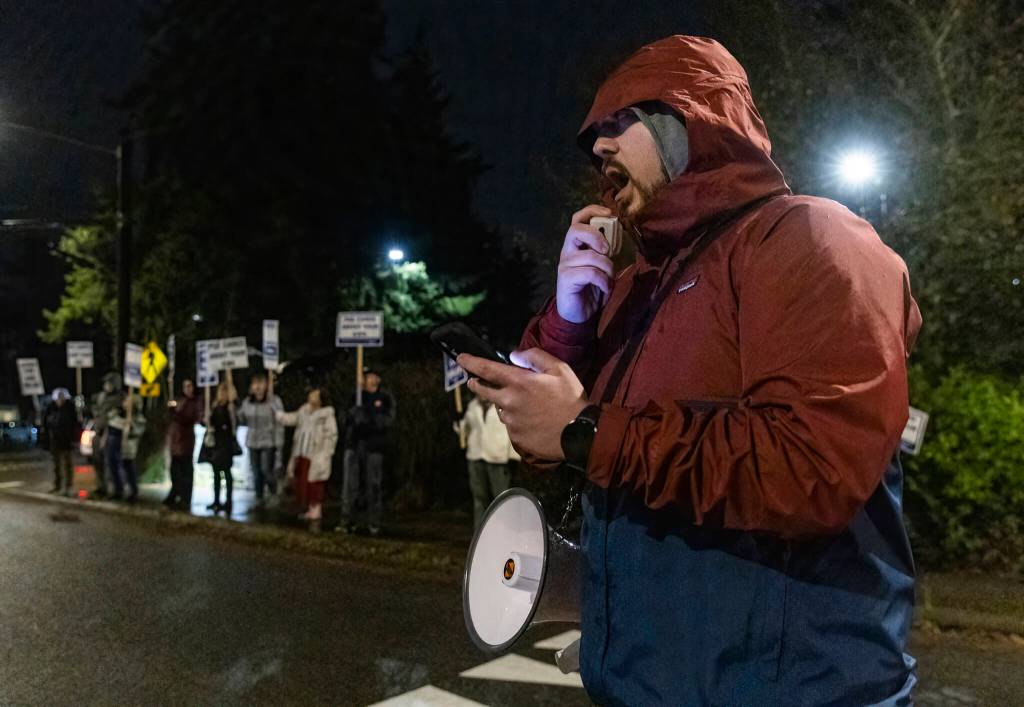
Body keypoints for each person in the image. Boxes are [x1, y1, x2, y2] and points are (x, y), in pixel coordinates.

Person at [457, 36, 922, 705]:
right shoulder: (637, 286)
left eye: (623, 122)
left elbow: (810, 465)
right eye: (595, 133)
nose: (599, 148)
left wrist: (586, 430)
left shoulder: (807, 238)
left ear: (693, 122)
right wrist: (570, 316)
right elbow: (540, 429)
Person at [339, 371, 395, 536]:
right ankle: (347, 522)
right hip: (354, 445)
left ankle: (374, 524)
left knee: (374, 486)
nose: (367, 379)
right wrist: (352, 415)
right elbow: (342, 417)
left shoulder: (385, 398)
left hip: (374, 447)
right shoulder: (354, 396)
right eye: (365, 376)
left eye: (371, 376)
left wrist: (369, 417)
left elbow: (388, 420)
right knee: (350, 486)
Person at [276, 386, 338, 527]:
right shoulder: (304, 411)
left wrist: (326, 452)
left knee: (315, 483)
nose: (311, 397)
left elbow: (331, 435)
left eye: (315, 395)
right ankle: (307, 507)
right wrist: (280, 416)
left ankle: (316, 509)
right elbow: (293, 419)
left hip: (317, 454)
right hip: (302, 451)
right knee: (303, 481)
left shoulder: (326, 415)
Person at [456, 393, 519, 528]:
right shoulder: (472, 406)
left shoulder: (503, 405)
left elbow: (512, 431)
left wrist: (514, 455)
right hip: (476, 456)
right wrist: (459, 423)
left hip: (498, 458)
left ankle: (505, 532)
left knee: (501, 499)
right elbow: (465, 431)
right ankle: (480, 535)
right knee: (479, 499)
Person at [237, 372, 284, 506]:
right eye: (255, 384)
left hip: (268, 441)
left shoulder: (274, 401)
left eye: (261, 383)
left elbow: (279, 423)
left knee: (266, 469)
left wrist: (279, 443)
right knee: (256, 471)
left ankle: (273, 491)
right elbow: (242, 419)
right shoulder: (247, 402)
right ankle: (259, 497)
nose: (258, 387)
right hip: (252, 441)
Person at [165, 378, 203, 511]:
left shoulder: (195, 402)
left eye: (189, 386)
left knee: (186, 470)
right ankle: (175, 493)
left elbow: (189, 418)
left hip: (185, 441)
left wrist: (174, 412)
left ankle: (185, 498)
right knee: (175, 470)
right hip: (176, 440)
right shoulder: (181, 400)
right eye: (185, 386)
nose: (187, 389)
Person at [204, 380, 239, 514]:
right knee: (217, 474)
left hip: (226, 444)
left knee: (226, 473)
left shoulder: (231, 407)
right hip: (217, 443)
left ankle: (228, 501)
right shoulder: (215, 406)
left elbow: (234, 424)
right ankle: (216, 500)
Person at [88, 372, 123, 498]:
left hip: (110, 434)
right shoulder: (101, 397)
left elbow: (113, 417)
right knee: (98, 462)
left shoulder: (119, 398)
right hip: (98, 432)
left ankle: (115, 489)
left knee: (111, 463)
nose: (106, 385)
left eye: (109, 383)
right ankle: (101, 486)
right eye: (105, 383)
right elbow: (95, 409)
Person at [107, 393, 145, 502]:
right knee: (114, 468)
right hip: (116, 446)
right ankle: (119, 490)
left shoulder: (138, 417)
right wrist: (124, 422)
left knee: (129, 469)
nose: (125, 403)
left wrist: (130, 425)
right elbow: (112, 421)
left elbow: (137, 429)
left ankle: (133, 492)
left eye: (128, 401)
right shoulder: (118, 413)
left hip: (128, 448)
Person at [43, 388, 78, 495]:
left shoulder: (69, 409)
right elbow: (46, 424)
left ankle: (69, 487)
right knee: (56, 466)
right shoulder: (51, 408)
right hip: (55, 441)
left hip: (67, 441)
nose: (60, 400)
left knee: (68, 465)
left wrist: (74, 440)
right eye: (58, 397)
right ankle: (57, 486)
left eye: (62, 397)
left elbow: (74, 425)